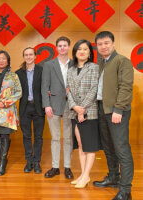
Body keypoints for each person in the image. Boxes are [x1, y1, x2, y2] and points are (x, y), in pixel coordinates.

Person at [93, 31, 134, 200]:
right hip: (102, 109)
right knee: (108, 146)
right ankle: (113, 177)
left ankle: (125, 189)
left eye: (106, 43)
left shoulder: (122, 61)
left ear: (113, 43)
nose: (103, 46)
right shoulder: (101, 62)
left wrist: (118, 109)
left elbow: (126, 87)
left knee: (121, 149)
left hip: (117, 111)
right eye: (100, 44)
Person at [66, 40, 101, 188]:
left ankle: (86, 175)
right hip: (75, 113)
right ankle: (82, 174)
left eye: (85, 49)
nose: (82, 51)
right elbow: (68, 91)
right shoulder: (71, 69)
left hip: (89, 112)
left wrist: (82, 108)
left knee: (89, 146)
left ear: (89, 53)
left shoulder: (94, 67)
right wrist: (74, 107)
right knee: (80, 145)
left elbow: (94, 89)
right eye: (79, 49)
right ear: (74, 52)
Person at [41, 36, 74, 179]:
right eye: (59, 45)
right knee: (55, 138)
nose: (62, 48)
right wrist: (46, 105)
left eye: (65, 45)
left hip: (70, 105)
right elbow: (44, 87)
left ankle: (67, 167)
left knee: (68, 138)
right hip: (53, 105)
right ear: (56, 48)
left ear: (68, 47)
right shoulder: (49, 65)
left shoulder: (74, 64)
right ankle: (55, 167)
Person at [15, 47, 45, 174]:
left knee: (38, 137)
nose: (28, 57)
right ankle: (29, 161)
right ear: (24, 57)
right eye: (26, 55)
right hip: (24, 107)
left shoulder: (42, 70)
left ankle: (37, 162)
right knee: (26, 136)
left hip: (39, 107)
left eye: (31, 54)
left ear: (35, 56)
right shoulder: (18, 73)